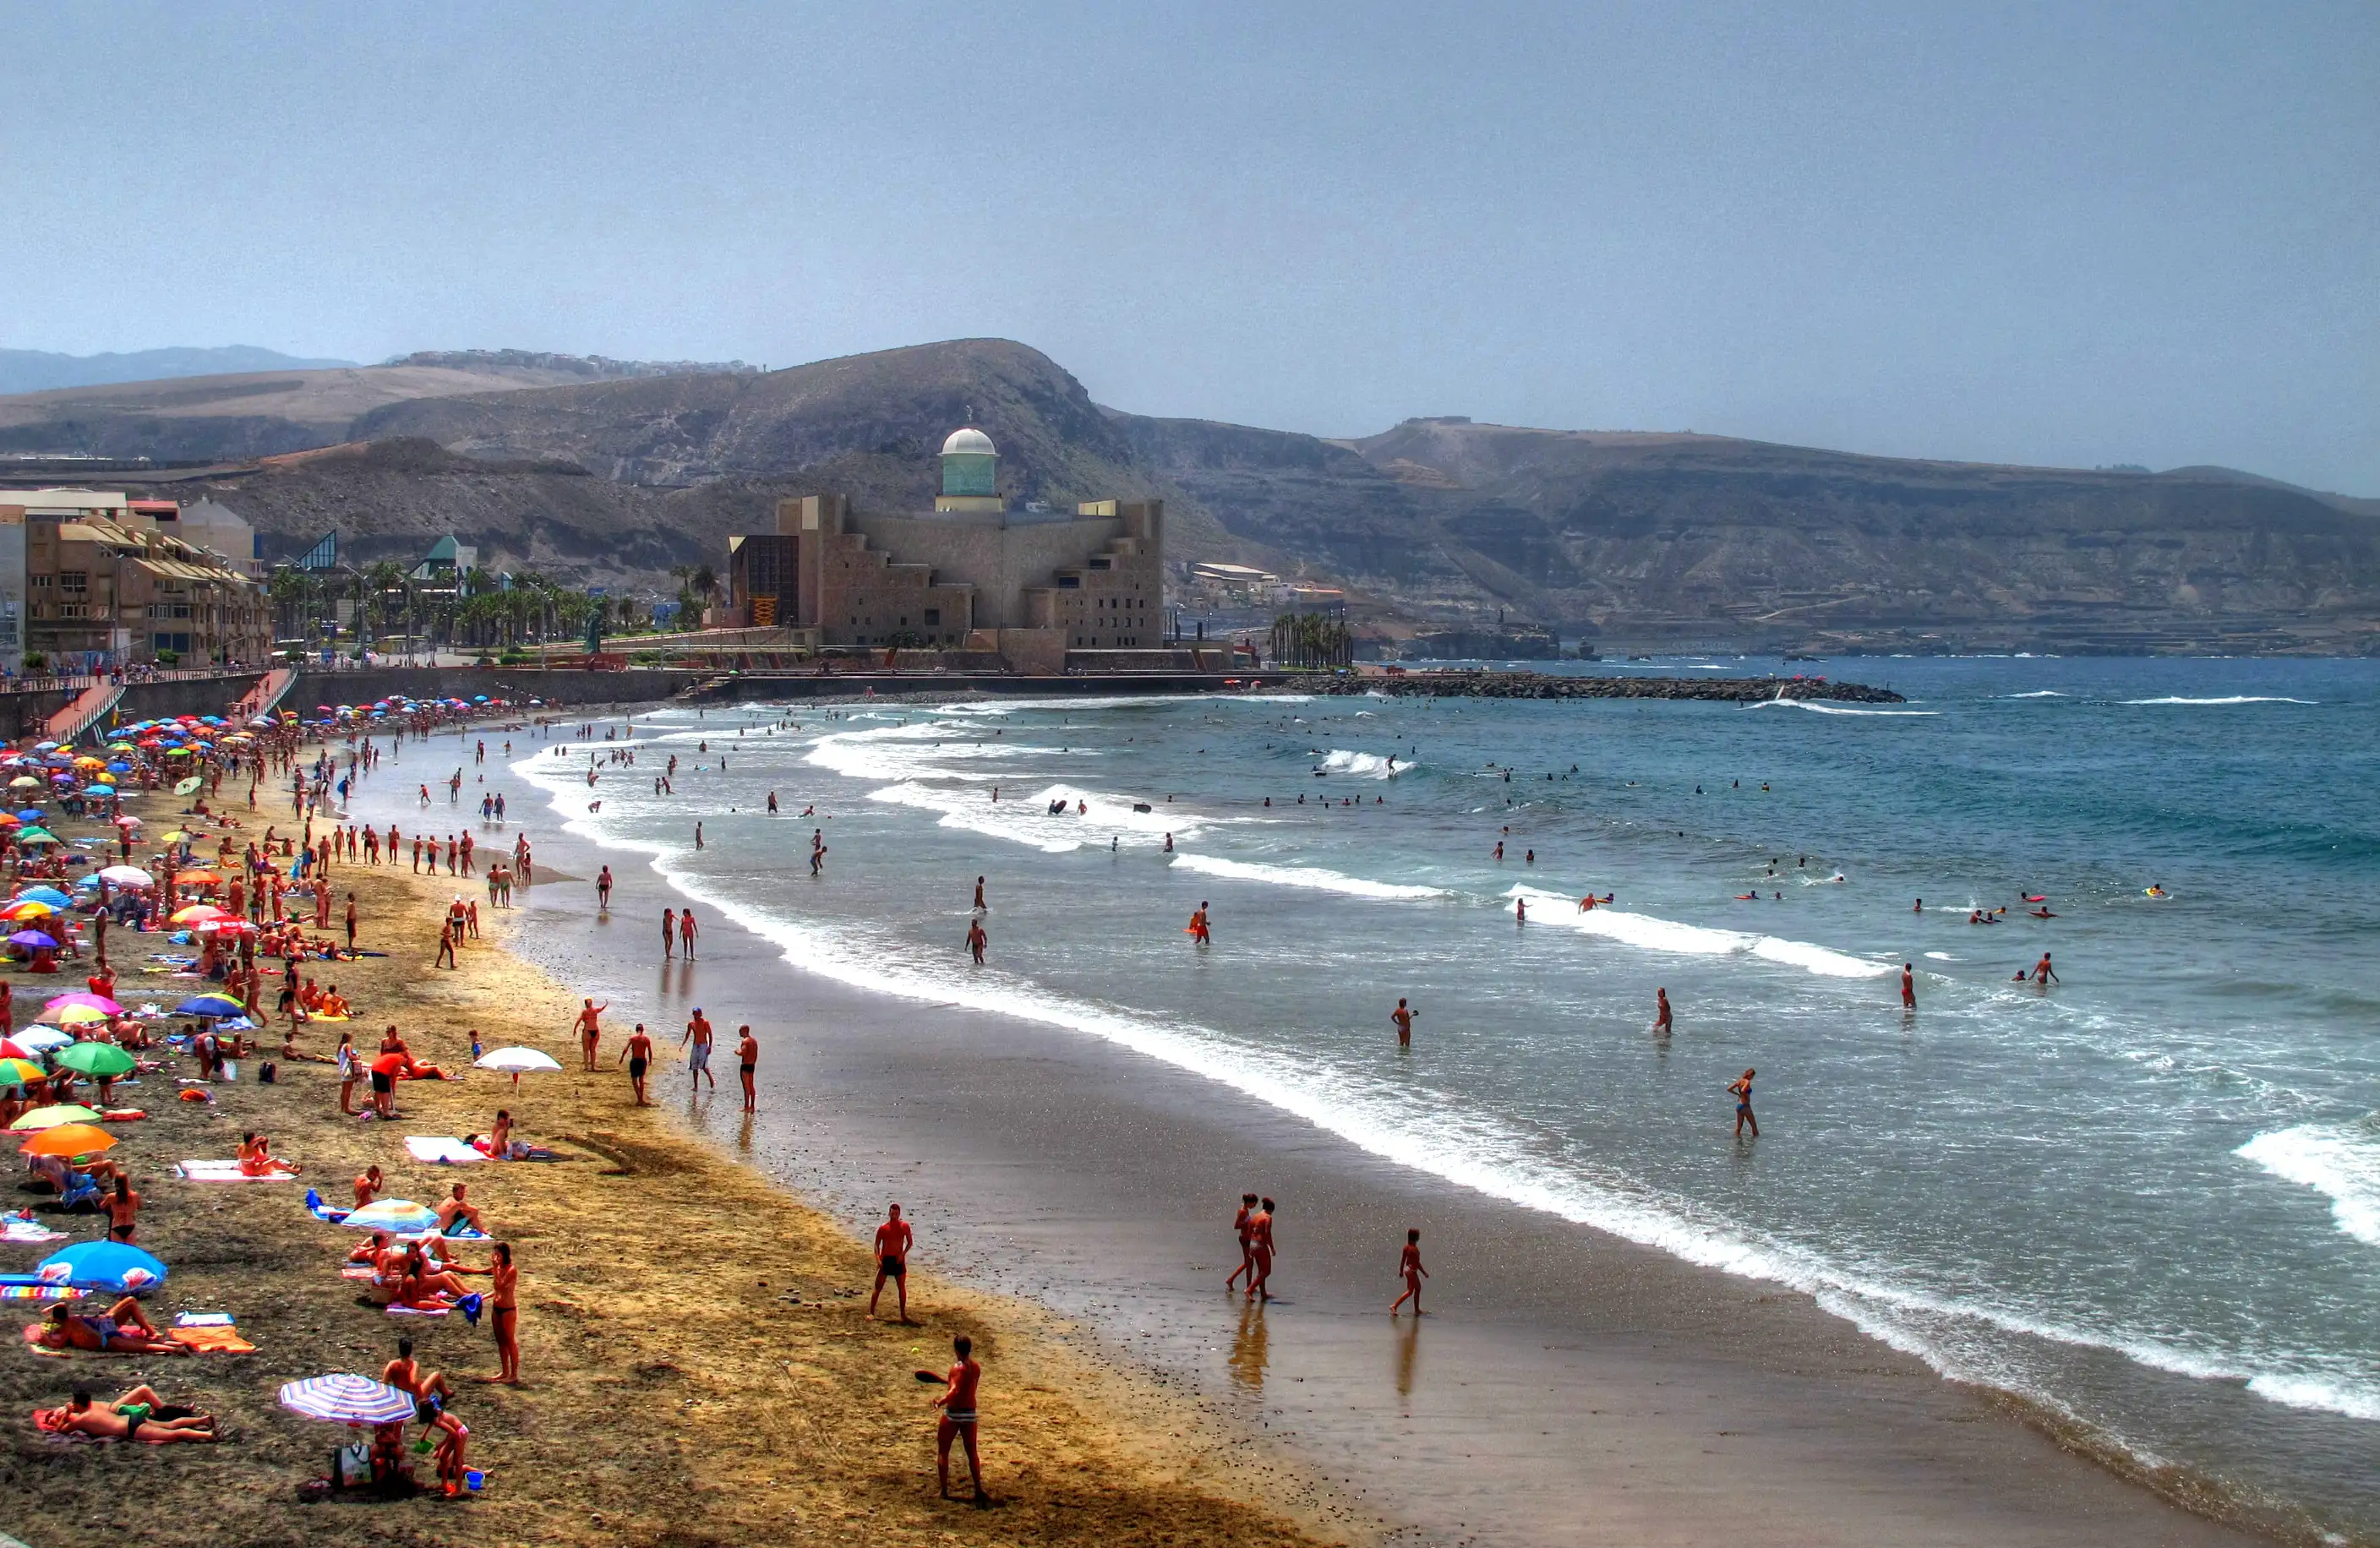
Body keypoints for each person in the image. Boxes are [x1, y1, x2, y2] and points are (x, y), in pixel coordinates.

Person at [40, 1385, 218, 1443]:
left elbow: (62, 1430)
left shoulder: (83, 1419)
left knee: (172, 1434)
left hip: (130, 1428)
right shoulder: (95, 1408)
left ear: (77, 1405)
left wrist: (64, 1416)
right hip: (131, 1419)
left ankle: (207, 1435)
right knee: (170, 1425)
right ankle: (201, 1420)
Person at [929, 1333, 988, 1504]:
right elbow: (964, 1387)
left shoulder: (957, 1368)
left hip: (954, 1413)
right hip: (970, 1413)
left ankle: (944, 1491)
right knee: (972, 1453)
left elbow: (954, 1391)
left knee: (943, 1450)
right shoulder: (976, 1367)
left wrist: (940, 1402)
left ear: (956, 1349)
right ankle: (978, 1488)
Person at [39, 1298, 188, 1354]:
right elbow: (62, 1305)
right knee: (144, 1344)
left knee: (145, 1347)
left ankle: (175, 1349)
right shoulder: (75, 1319)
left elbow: (57, 1345)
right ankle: (180, 1344)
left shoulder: (68, 1325)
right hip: (106, 1328)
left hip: (106, 1340)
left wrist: (45, 1338)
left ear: (57, 1319)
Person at [416, 1399, 471, 1496]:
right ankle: (444, 1484)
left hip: (460, 1432)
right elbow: (432, 1422)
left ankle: (458, 1490)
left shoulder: (439, 1421)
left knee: (458, 1461)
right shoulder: (435, 1413)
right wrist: (424, 1434)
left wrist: (441, 1444)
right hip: (454, 1432)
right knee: (443, 1457)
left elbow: (453, 1432)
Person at [871, 1203, 914, 1322]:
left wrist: (903, 1253)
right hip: (886, 1260)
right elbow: (876, 1244)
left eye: (896, 1213)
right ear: (889, 1213)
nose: (894, 1215)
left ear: (899, 1214)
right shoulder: (883, 1228)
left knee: (901, 1288)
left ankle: (903, 1314)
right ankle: (871, 1312)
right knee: (878, 1287)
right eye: (892, 1213)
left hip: (898, 1260)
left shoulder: (904, 1226)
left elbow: (910, 1242)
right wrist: (878, 1258)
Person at [383, 1336, 453, 1409]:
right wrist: (421, 1398)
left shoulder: (392, 1364)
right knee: (436, 1375)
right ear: (410, 1350)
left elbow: (385, 1383)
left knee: (422, 1382)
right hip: (413, 1398)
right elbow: (413, 1382)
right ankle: (446, 1392)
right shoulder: (413, 1364)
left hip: (401, 1398)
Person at [1225, 1193, 1259, 1291]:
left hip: (1248, 1238)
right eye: (1254, 1204)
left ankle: (1233, 1280)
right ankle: (1247, 1286)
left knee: (1249, 1263)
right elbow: (1236, 1225)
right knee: (1249, 1263)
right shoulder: (1242, 1211)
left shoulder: (1246, 1210)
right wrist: (1248, 1222)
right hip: (1245, 1239)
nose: (1254, 1206)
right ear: (1249, 1202)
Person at [1390, 1228, 1428, 1316]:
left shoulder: (1406, 1247)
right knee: (1416, 1289)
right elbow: (1417, 1263)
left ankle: (1413, 1309)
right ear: (1416, 1238)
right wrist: (1424, 1273)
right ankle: (1396, 1306)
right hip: (1412, 1271)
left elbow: (1403, 1260)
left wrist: (1401, 1271)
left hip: (1407, 1270)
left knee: (1412, 1291)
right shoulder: (1415, 1249)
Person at [1245, 1197, 1276, 1301]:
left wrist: (1250, 1247)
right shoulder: (1267, 1218)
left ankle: (1263, 1293)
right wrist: (1272, 1248)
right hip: (1261, 1245)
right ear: (1271, 1210)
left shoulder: (1254, 1216)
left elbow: (1249, 1232)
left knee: (1261, 1271)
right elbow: (1267, 1234)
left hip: (1252, 1244)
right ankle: (1249, 1290)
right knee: (1267, 1271)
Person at [618, 1022, 655, 1106]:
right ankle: (641, 1099)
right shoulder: (646, 1039)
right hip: (642, 1060)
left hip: (635, 1060)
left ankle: (639, 1097)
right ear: (643, 1030)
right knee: (641, 1079)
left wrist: (622, 1058)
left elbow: (625, 1049)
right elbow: (650, 1051)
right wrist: (650, 1060)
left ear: (636, 1030)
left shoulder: (633, 1038)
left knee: (634, 1079)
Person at [681, 1007, 714, 1090]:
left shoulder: (705, 1023)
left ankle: (711, 1080)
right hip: (695, 1045)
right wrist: (683, 1044)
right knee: (694, 1066)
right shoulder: (691, 1024)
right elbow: (687, 1034)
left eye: (697, 1013)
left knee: (703, 1067)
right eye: (694, 1013)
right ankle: (696, 1086)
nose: (696, 1015)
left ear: (701, 1014)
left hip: (703, 1045)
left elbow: (710, 1035)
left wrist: (710, 1047)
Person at [574, 998, 608, 1071]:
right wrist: (606, 1004)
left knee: (586, 1050)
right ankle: (593, 1067)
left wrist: (575, 1029)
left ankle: (586, 1067)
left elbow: (579, 1020)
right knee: (593, 1050)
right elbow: (601, 1009)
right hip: (596, 1031)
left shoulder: (585, 1011)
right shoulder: (595, 1010)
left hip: (588, 1031)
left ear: (585, 1004)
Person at [104, 1175, 139, 1242]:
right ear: (128, 1183)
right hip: (130, 1225)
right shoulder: (135, 1195)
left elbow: (102, 1206)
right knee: (130, 1251)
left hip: (116, 1226)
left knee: (118, 1251)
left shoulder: (111, 1197)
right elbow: (139, 1206)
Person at [1728, 1069, 1758, 1138]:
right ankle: (1755, 1145)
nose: (1752, 1078)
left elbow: (1729, 1089)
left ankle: (1736, 1144)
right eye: (1752, 1076)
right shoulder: (1747, 1081)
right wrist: (1744, 1095)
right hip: (1746, 1107)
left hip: (1739, 1106)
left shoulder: (1740, 1081)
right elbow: (1743, 1090)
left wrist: (1738, 1094)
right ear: (1750, 1075)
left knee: (1738, 1129)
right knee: (1754, 1128)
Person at [736, 1025, 758, 1112]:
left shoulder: (745, 1041)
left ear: (745, 1030)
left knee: (746, 1087)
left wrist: (737, 1051)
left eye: (740, 1030)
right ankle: (752, 1106)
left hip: (745, 1066)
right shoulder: (754, 1041)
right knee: (751, 1085)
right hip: (752, 1065)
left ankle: (746, 1107)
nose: (739, 1032)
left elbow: (743, 1052)